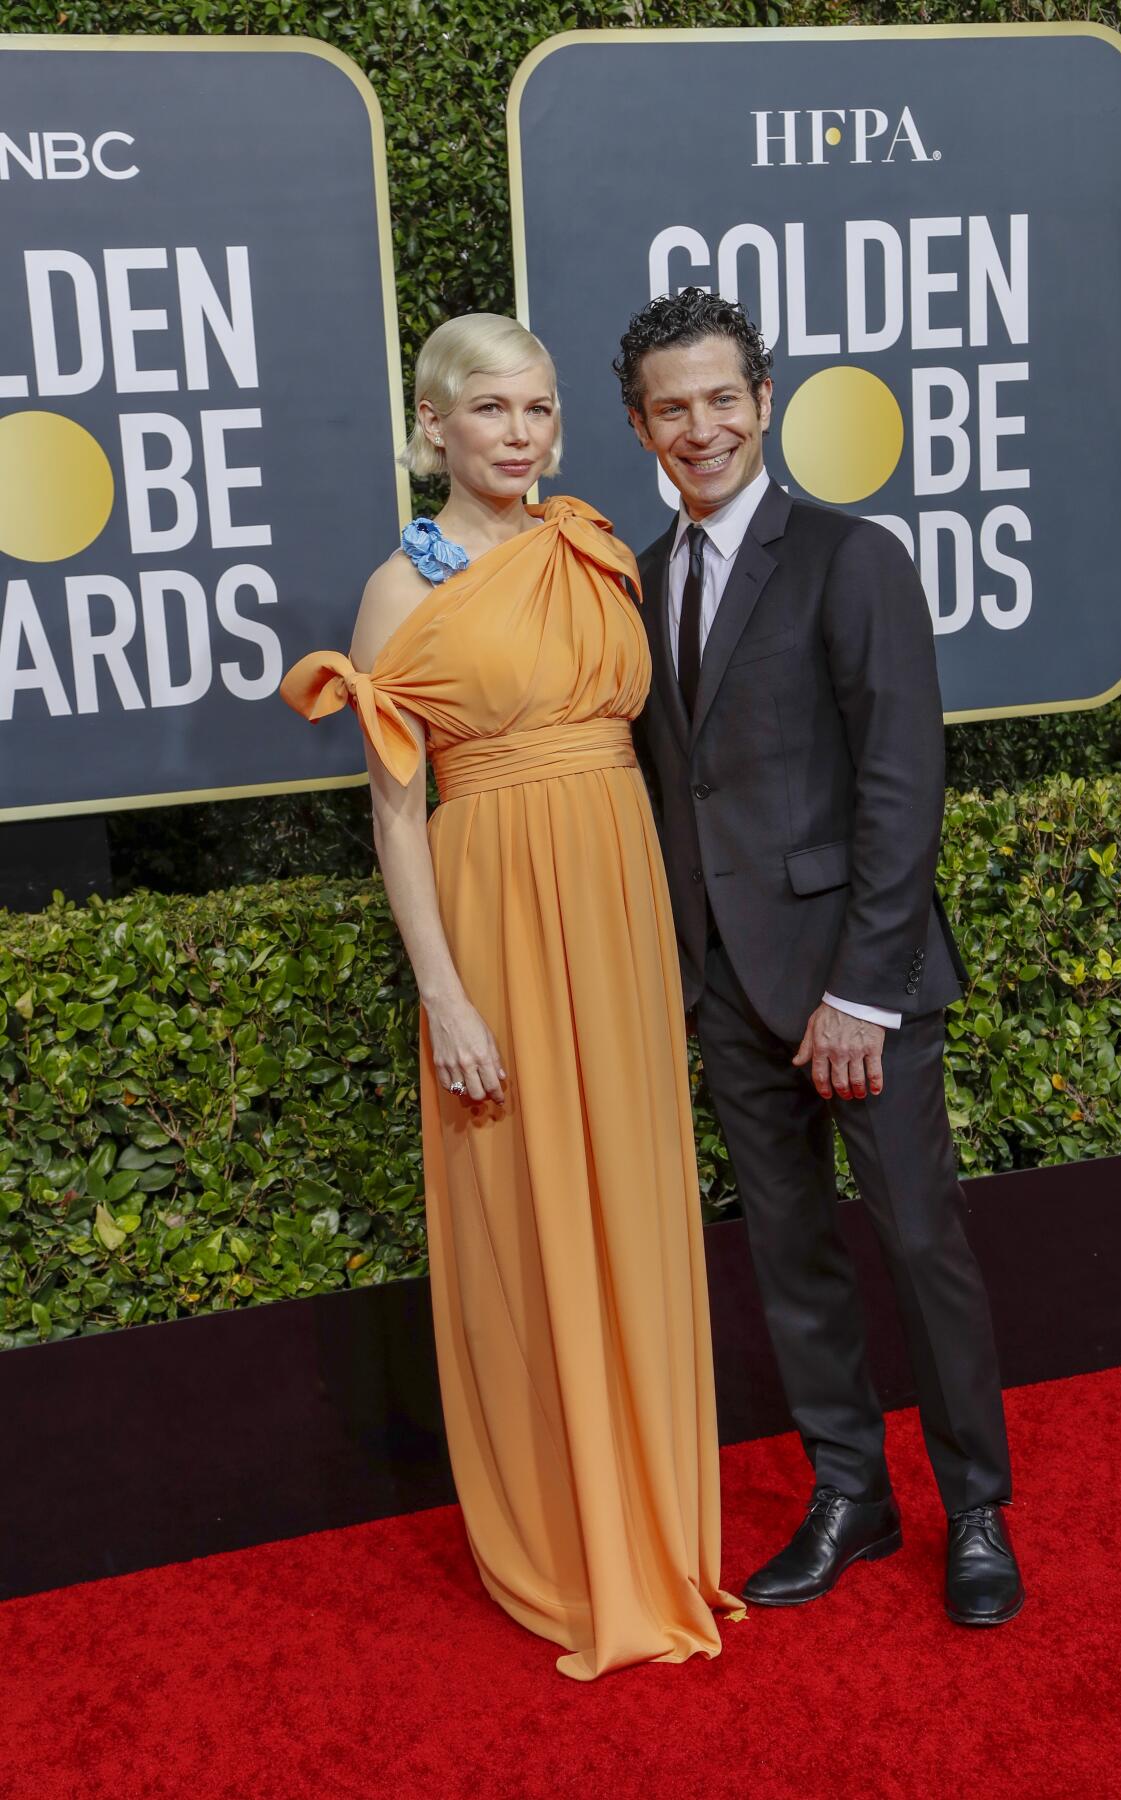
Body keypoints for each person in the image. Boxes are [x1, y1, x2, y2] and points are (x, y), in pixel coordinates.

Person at [280, 313, 742, 1679]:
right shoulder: (396, 590)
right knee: (529, 1210)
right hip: (497, 912)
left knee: (640, 1201)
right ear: (433, 426)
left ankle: (661, 1527)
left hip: (617, 899)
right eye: (492, 412)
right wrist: (446, 994)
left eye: (540, 410)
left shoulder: (591, 544)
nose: (522, 436)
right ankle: (571, 1533)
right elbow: (396, 815)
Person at [615, 287, 1025, 1628]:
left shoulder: (851, 558)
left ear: (764, 401)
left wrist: (863, 988)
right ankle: (853, 1495)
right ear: (641, 426)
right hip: (725, 986)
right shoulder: (644, 577)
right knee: (790, 1255)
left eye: (722, 398)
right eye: (672, 407)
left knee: (919, 1240)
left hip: (859, 985)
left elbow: (904, 784)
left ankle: (976, 1510)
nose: (701, 426)